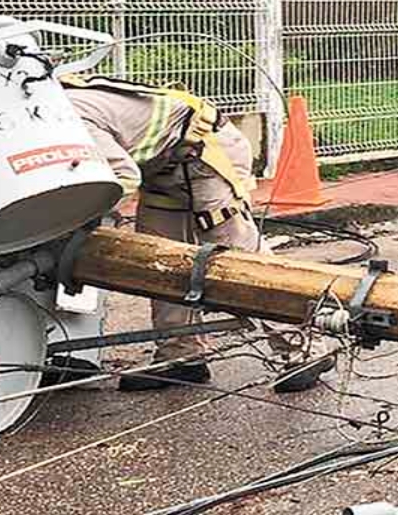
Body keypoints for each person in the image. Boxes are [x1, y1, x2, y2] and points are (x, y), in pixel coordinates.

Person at [61, 75, 332, 393]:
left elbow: (122, 175)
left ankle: (305, 349)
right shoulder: (39, 112)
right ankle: (181, 358)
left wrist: (77, 221)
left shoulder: (67, 115)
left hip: (205, 152)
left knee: (236, 259)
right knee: (158, 260)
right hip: (165, 166)